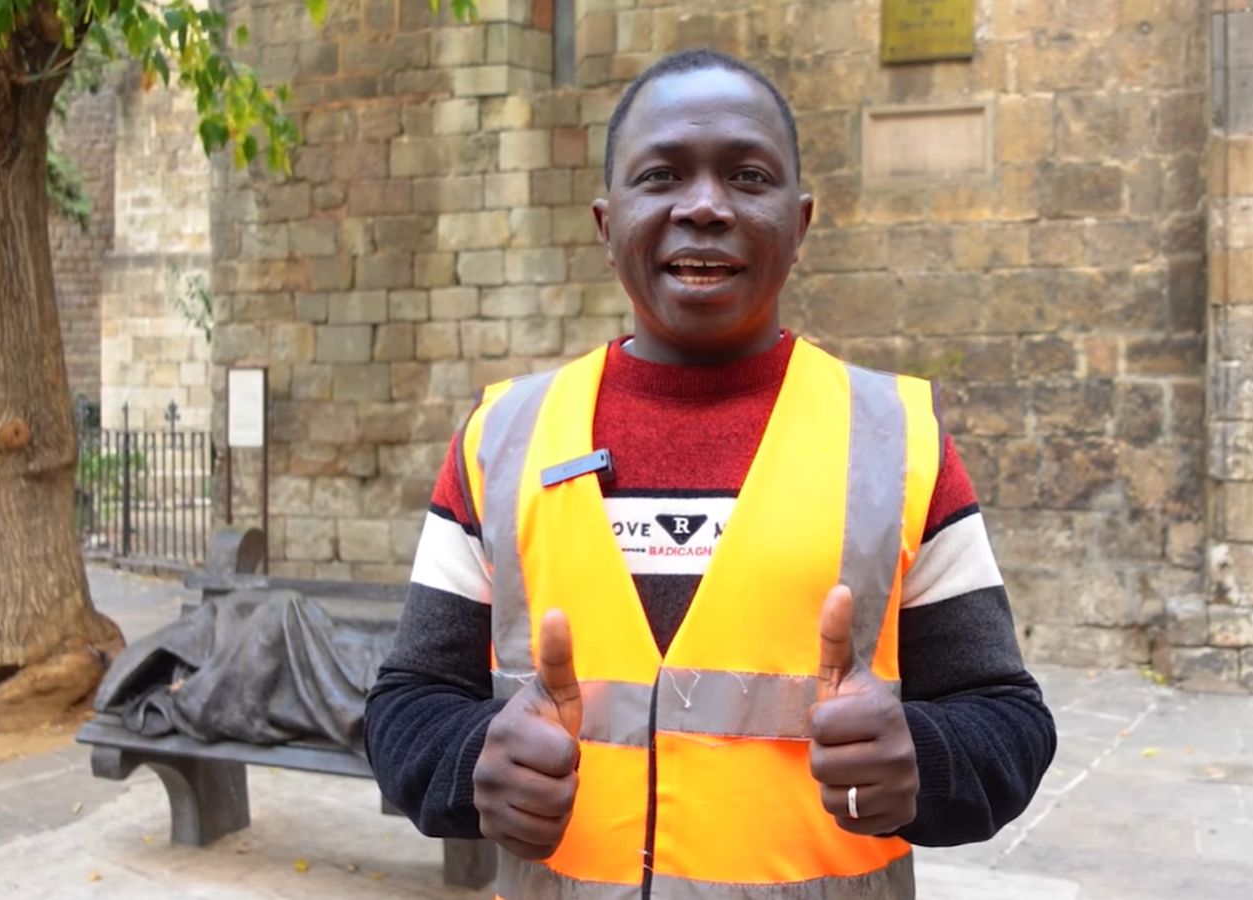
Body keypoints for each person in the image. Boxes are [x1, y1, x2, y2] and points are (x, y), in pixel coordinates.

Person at [366, 48, 1056, 899]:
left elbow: (1007, 720)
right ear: (605, 220)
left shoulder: (896, 442)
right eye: (660, 176)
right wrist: (470, 763)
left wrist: (926, 760)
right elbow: (407, 703)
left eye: (747, 176)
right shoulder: (501, 438)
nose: (704, 205)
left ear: (800, 224)